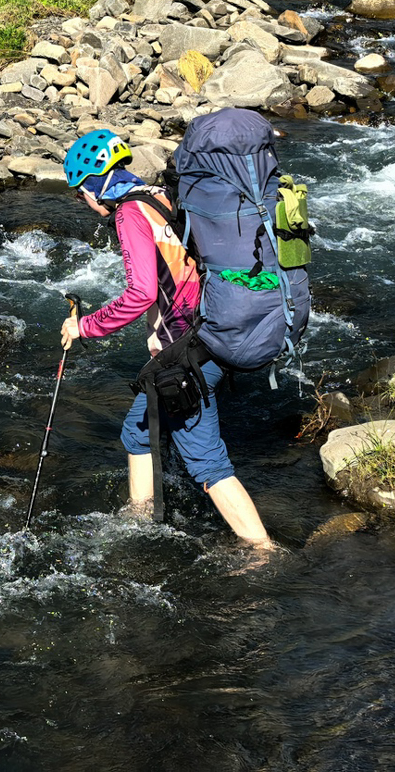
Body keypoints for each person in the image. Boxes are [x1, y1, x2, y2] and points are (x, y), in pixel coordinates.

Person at [59, 129, 275, 551]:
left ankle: (263, 550)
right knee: (138, 433)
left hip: (186, 351)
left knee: (207, 463)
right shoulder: (161, 196)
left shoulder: (129, 214)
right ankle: (139, 520)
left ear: (93, 185)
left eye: (80, 192)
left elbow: (140, 294)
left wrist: (84, 326)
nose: (83, 200)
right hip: (213, 327)